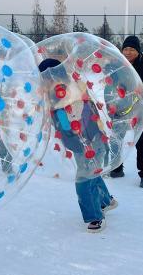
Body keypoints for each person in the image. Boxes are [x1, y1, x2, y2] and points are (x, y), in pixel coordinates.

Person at [39, 57, 117, 232]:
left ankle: (95, 216)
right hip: (77, 143)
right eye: (45, 79)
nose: (48, 82)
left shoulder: (73, 90)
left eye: (50, 78)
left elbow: (88, 114)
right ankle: (106, 200)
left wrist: (98, 134)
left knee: (83, 178)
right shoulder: (51, 97)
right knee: (91, 171)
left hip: (90, 140)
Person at [109, 36, 143, 188]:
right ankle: (117, 168)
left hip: (140, 111)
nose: (128, 52)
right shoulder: (117, 66)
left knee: (141, 143)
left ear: (138, 51)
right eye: (125, 49)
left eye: (132, 49)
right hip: (120, 110)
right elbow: (110, 86)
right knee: (116, 139)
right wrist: (109, 103)